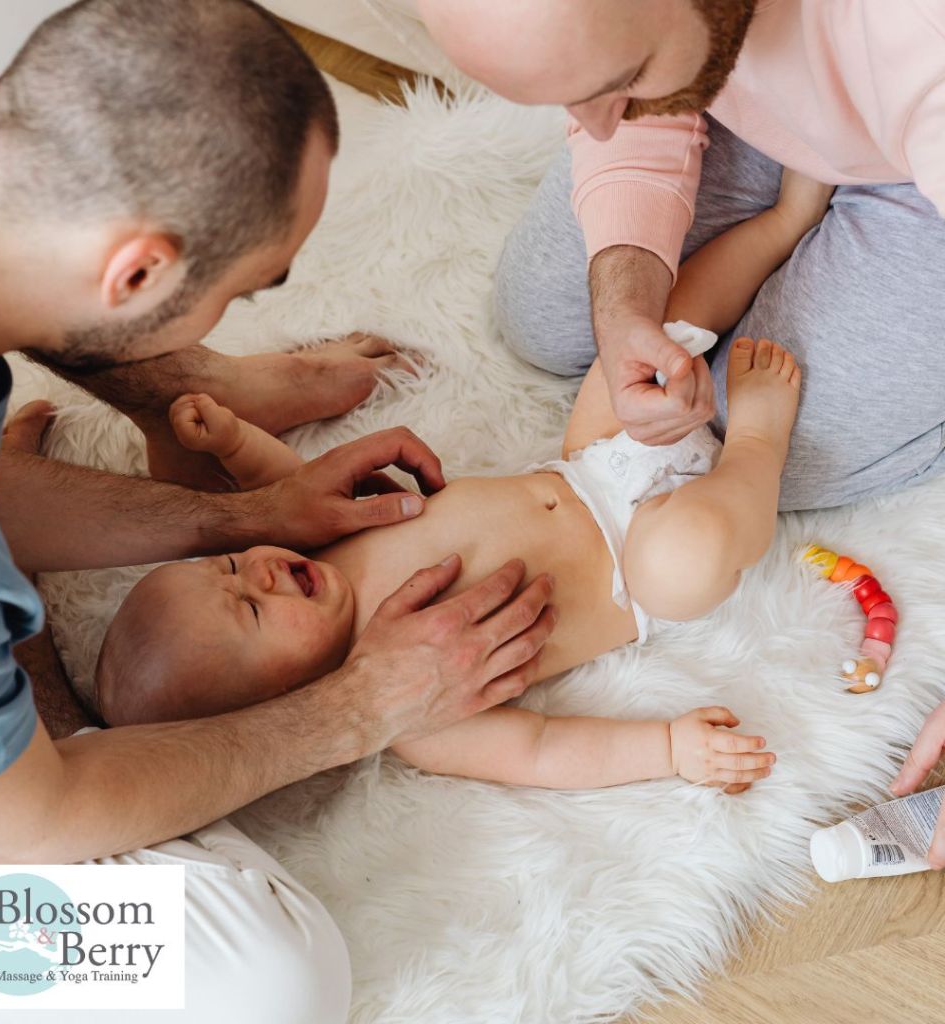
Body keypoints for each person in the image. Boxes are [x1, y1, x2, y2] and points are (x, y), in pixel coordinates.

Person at [0, 4, 558, 1022]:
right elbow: (22, 824)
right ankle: (35, 718)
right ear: (135, 273)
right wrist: (367, 703)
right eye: (246, 289)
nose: (249, 308)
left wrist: (236, 513)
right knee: (270, 981)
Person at [90, 170, 836, 795]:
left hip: (591, 461)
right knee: (688, 559)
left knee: (643, 336)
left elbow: (290, 481)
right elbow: (540, 750)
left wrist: (231, 439)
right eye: (251, 614)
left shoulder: (315, 548)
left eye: (227, 566)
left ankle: (781, 221)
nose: (259, 573)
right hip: (639, 569)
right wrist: (668, 750)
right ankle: (756, 447)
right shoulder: (415, 715)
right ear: (276, 700)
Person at [416, 0, 945, 871]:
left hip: (906, 128)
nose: (594, 122)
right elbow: (537, 750)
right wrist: (627, 309)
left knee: (796, 443)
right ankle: (788, 210)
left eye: (619, 83)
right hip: (769, 81)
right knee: (550, 319)